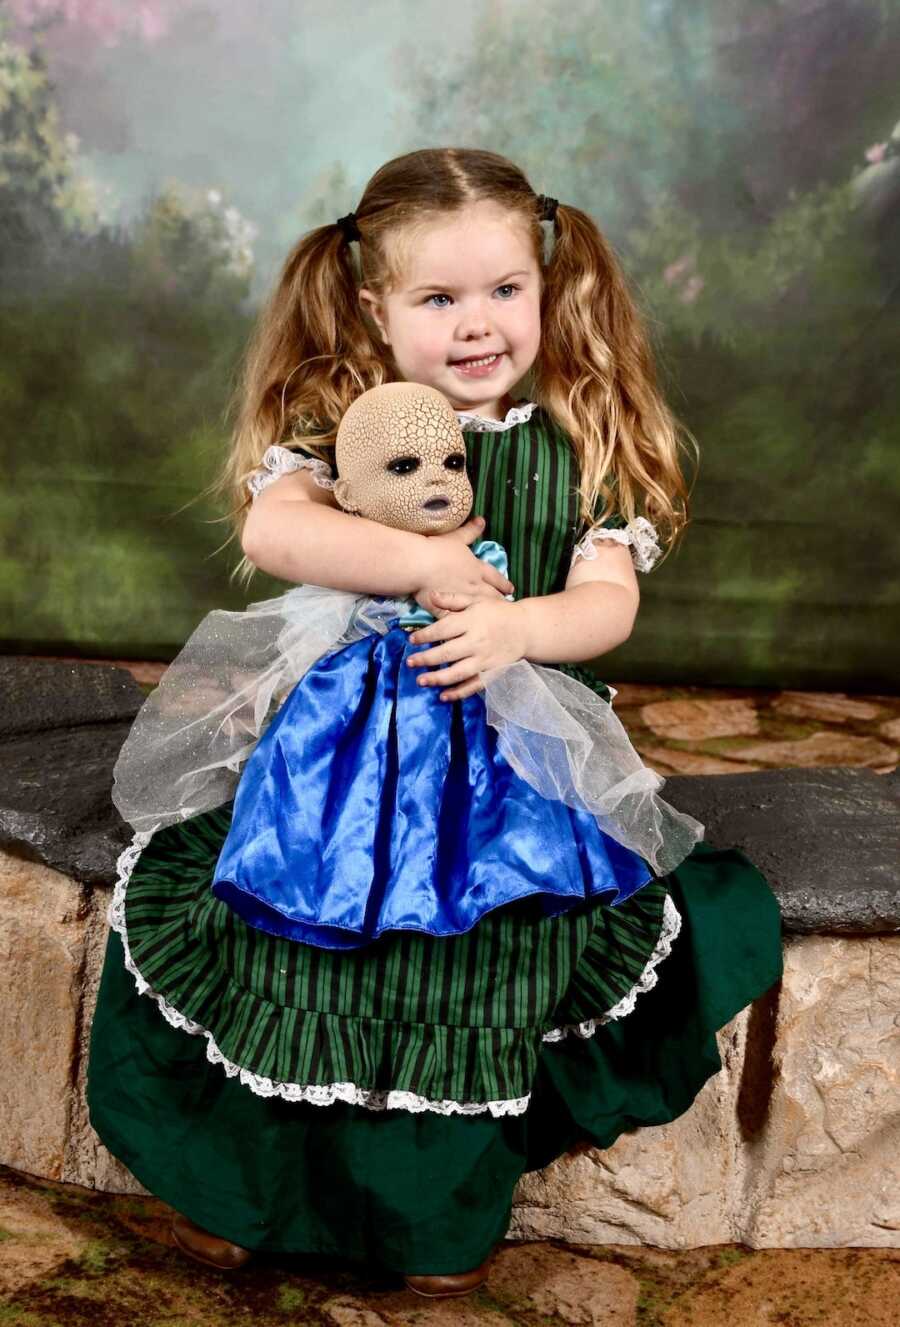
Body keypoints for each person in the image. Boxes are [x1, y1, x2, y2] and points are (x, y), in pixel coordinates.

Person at [87, 146, 784, 1300]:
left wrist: (517, 631)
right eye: (439, 298)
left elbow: (608, 604)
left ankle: (430, 1226)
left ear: (548, 286)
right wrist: (423, 561)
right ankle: (248, 1193)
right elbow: (278, 535)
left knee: (486, 959)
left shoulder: (577, 437)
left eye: (506, 290)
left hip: (515, 756)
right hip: (344, 760)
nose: (478, 325)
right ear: (376, 306)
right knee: (282, 939)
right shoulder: (346, 423)